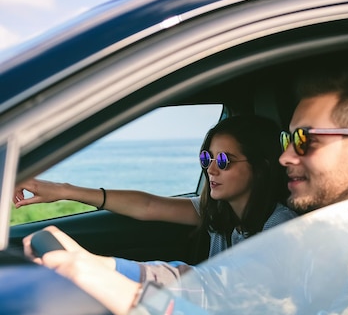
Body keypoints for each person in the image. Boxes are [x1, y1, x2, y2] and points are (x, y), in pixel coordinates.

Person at [23, 68, 348, 315]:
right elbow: (217, 285)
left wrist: (129, 298)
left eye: (305, 140)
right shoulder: (322, 233)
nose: (287, 156)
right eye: (288, 141)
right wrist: (98, 266)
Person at [15, 115, 296, 282]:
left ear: (261, 168)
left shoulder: (279, 228)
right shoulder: (219, 213)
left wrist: (101, 267)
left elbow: (218, 288)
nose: (210, 169)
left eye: (224, 161)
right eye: (206, 158)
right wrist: (64, 191)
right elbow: (147, 206)